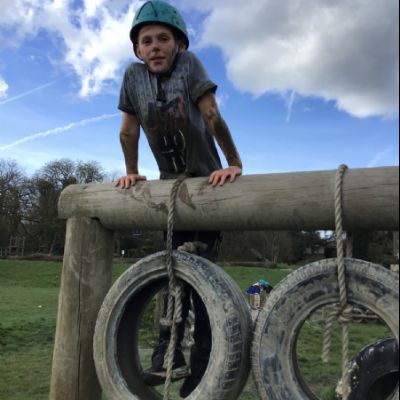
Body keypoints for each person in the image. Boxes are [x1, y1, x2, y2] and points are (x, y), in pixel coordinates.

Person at [114, 1, 242, 397]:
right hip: (170, 189)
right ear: (138, 49)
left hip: (207, 186)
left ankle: (201, 370)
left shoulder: (190, 66)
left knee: (202, 282)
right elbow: (128, 130)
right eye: (146, 41)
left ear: (179, 44)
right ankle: (167, 356)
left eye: (163, 39)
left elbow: (211, 115)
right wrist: (132, 170)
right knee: (172, 275)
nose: (155, 46)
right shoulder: (133, 77)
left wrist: (234, 163)